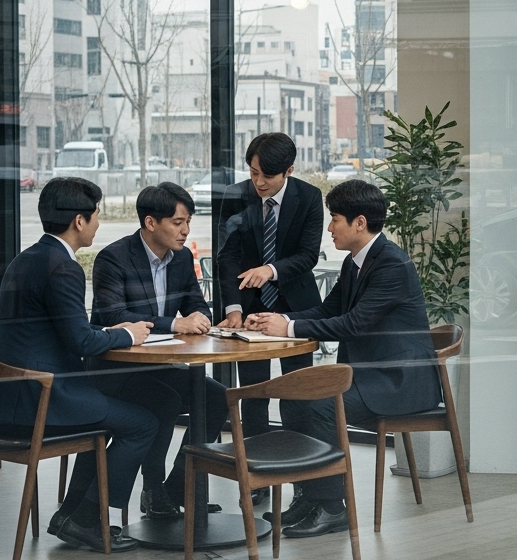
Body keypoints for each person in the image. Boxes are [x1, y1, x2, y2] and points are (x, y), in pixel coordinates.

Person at [245, 180, 441, 539]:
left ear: (359, 223)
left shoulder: (391, 265)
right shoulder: (356, 262)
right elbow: (326, 310)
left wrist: (287, 328)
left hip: (399, 383)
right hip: (371, 377)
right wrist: (278, 322)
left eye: (334, 219)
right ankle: (311, 496)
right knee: (297, 398)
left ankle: (332, 506)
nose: (329, 228)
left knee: (320, 402)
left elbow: (351, 323)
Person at [0, 177, 155, 552]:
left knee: (113, 408)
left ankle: (72, 517)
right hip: (40, 402)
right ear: (79, 220)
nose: (98, 224)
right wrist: (128, 336)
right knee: (143, 423)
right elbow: (79, 341)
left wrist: (112, 329)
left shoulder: (25, 259)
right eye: (96, 216)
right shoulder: (64, 267)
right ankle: (86, 519)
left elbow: (65, 328)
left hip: (5, 400)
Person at [89, 183, 228, 519]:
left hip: (158, 364)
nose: (185, 230)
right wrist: (173, 324)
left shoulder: (181, 258)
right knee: (162, 400)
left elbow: (197, 302)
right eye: (178, 222)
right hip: (114, 367)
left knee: (217, 397)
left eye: (188, 222)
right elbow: (112, 316)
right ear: (151, 223)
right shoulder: (113, 258)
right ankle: (152, 491)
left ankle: (177, 488)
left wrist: (201, 317)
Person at [215, 133, 324, 442]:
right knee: (253, 395)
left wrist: (270, 270)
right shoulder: (235, 195)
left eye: (267, 175)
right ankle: (256, 479)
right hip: (248, 310)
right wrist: (233, 307)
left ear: (288, 170)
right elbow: (227, 256)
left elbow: (307, 256)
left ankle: (301, 474)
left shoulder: (309, 197)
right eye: (253, 172)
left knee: (297, 393)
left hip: (295, 309)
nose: (259, 182)